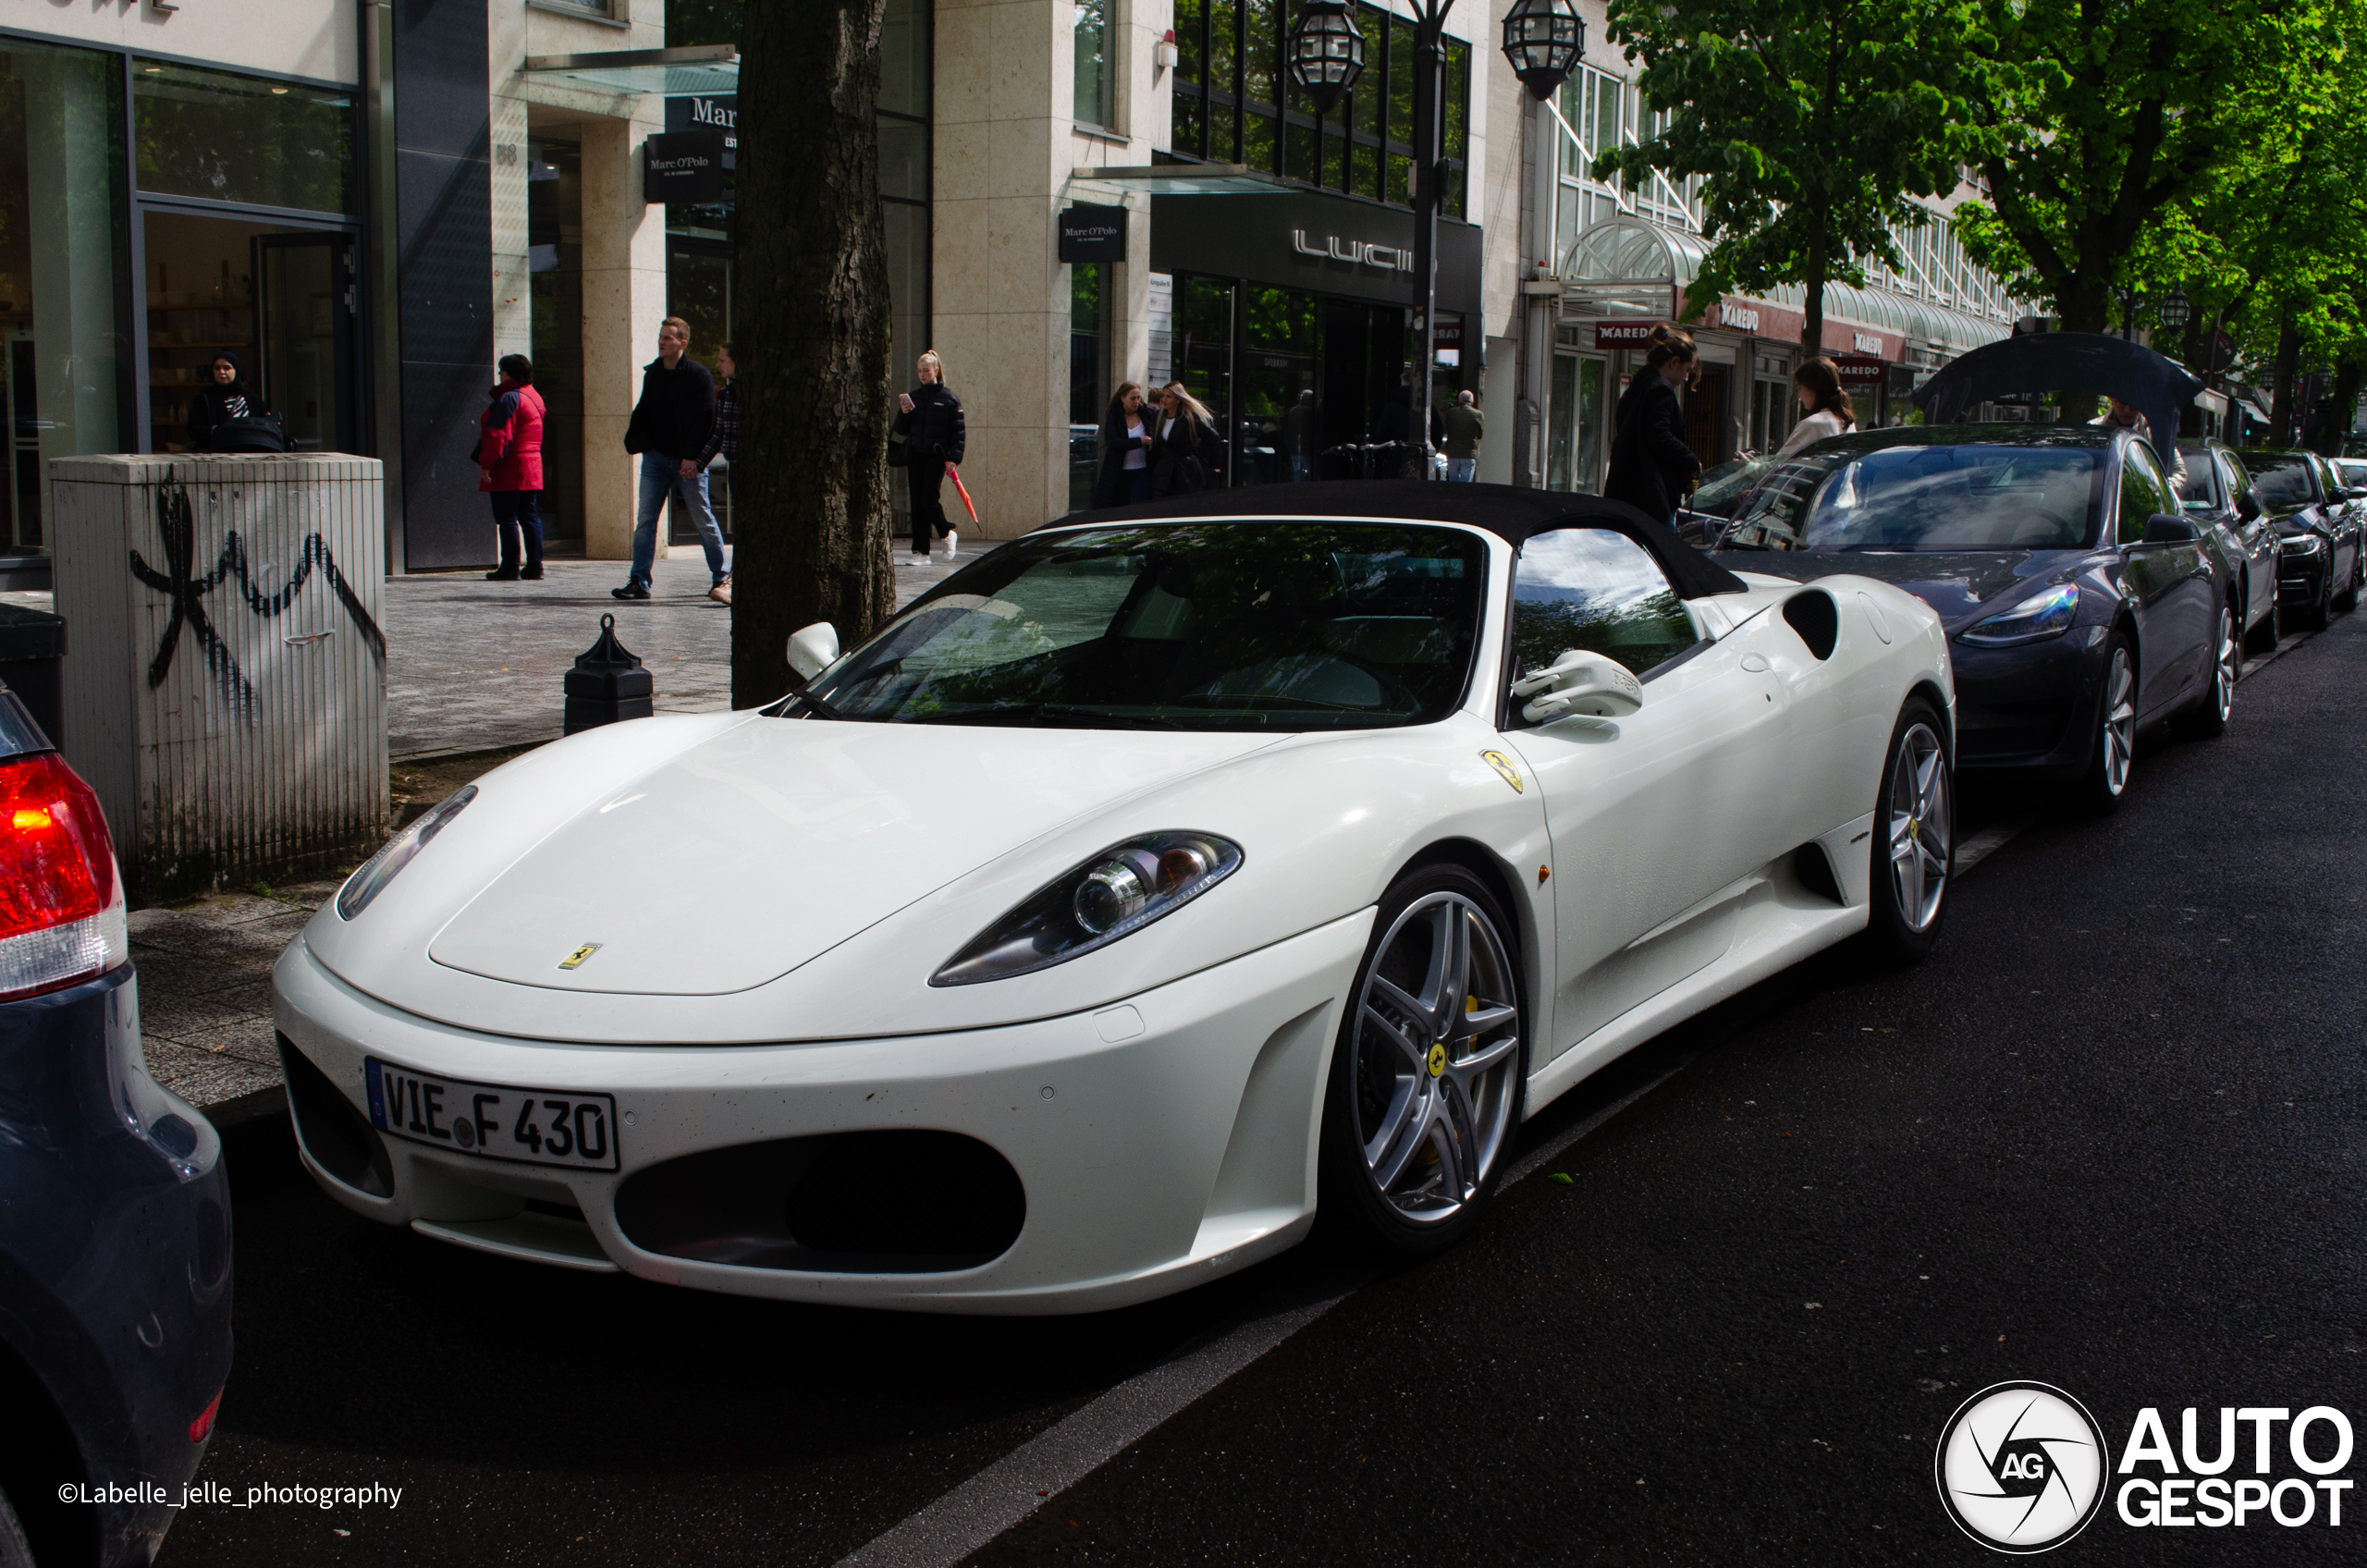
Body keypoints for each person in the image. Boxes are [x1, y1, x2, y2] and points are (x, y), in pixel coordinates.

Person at [614, 316, 724, 602]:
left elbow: (705, 419)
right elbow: (644, 410)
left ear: (682, 343)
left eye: (667, 338)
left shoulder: (699, 376)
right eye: (661, 337)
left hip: (687, 462)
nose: (661, 342)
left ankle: (722, 578)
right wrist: (636, 441)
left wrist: (692, 457)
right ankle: (639, 580)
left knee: (703, 520)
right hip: (656, 458)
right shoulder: (654, 373)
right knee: (646, 521)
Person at [1602, 325, 1703, 524]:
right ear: (1674, 362)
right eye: (1687, 370)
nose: (1686, 378)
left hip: (1625, 492)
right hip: (1651, 496)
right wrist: (1692, 462)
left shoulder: (1638, 386)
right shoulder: (1661, 390)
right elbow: (1659, 435)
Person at [890, 349, 965, 564]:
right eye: (919, 371)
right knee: (916, 502)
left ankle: (947, 532)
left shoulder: (949, 398)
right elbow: (902, 430)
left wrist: (953, 458)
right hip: (916, 455)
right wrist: (903, 413)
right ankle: (921, 553)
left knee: (927, 499)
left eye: (926, 370)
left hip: (936, 455)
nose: (922, 374)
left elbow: (958, 432)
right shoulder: (914, 397)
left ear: (936, 370)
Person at [476, 354, 545, 582]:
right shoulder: (534, 396)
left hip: (511, 466)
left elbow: (498, 436)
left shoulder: (509, 399)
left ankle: (510, 566)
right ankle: (535, 566)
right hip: (532, 464)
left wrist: (486, 465)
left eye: (502, 371)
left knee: (506, 517)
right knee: (529, 515)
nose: (499, 375)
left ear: (510, 374)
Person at [694, 341, 738, 605]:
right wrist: (698, 463)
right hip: (736, 466)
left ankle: (732, 579)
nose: (718, 364)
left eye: (723, 359)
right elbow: (718, 434)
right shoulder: (725, 394)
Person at [2092, 395, 2188, 488]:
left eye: (2133, 405)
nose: (2127, 410)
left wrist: (2161, 491)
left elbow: (2179, 471)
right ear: (2112, 399)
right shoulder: (2094, 429)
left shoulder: (2153, 433)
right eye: (2122, 403)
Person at [1772, 357, 1857, 459]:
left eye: (1800, 388)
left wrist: (1750, 466)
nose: (1799, 395)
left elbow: (1778, 464)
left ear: (1813, 389)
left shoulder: (1813, 424)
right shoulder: (1847, 422)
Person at [185, 353, 269, 451]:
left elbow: (262, 428)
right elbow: (192, 429)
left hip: (249, 454)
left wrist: (269, 423)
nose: (221, 372)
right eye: (217, 368)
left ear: (236, 370)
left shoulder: (253, 400)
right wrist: (216, 430)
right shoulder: (204, 399)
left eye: (227, 368)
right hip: (218, 456)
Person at [1150, 383, 1221, 496]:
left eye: (1169, 397)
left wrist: (1212, 463)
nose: (1164, 400)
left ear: (1178, 399)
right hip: (1162, 475)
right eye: (1163, 396)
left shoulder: (1189, 418)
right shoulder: (1157, 417)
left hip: (1185, 473)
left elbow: (1213, 437)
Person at [1090, 381, 1153, 508]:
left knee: (1139, 507)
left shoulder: (1146, 414)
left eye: (1138, 397)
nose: (1136, 401)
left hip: (1142, 470)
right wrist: (1139, 441)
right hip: (1120, 472)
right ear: (1123, 398)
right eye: (1132, 398)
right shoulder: (1114, 416)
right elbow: (1113, 442)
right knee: (1122, 508)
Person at [1442, 388, 1484, 482]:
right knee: (1466, 485)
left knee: (1453, 484)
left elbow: (1447, 428)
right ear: (1472, 401)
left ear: (1459, 400)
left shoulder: (1451, 413)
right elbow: (1480, 435)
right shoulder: (1478, 415)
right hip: (1469, 454)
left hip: (1453, 453)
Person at [1279, 388, 1318, 481]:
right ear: (1310, 399)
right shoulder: (1311, 411)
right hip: (1307, 449)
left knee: (1297, 474)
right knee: (1311, 473)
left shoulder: (1291, 411)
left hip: (1293, 449)